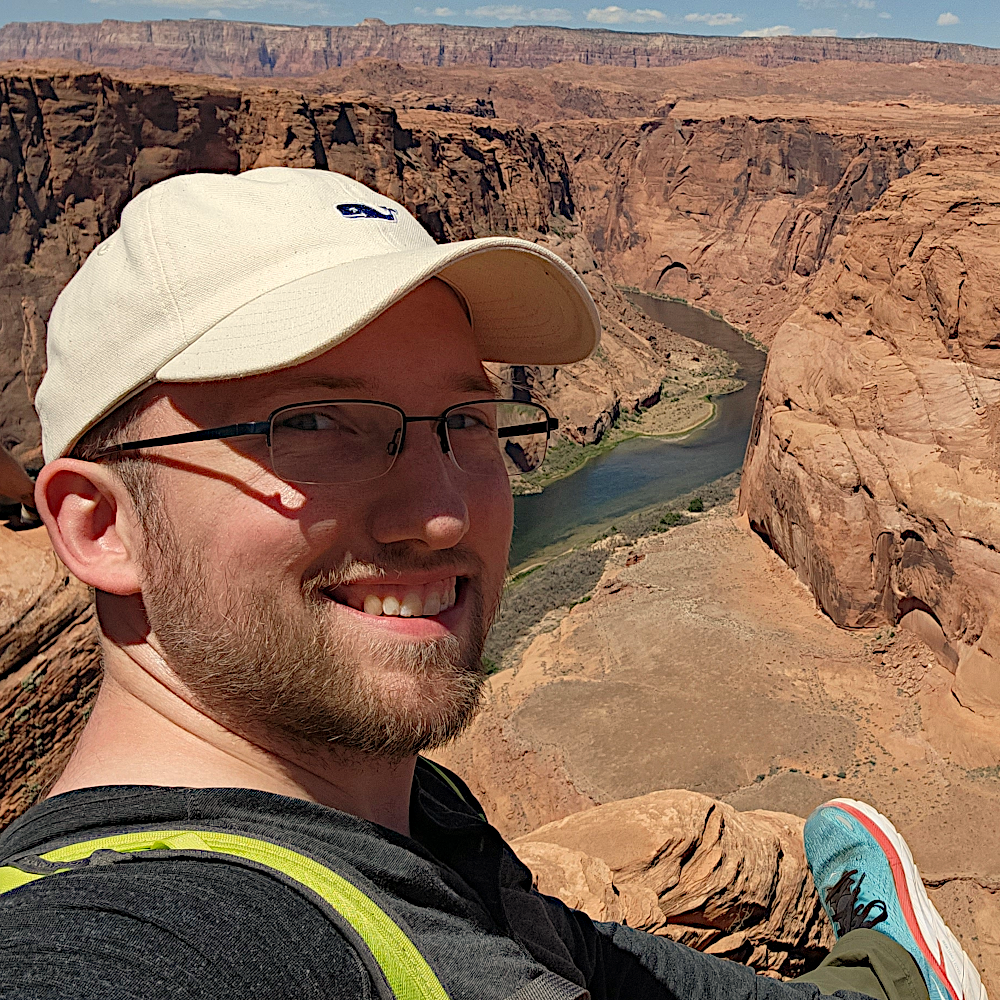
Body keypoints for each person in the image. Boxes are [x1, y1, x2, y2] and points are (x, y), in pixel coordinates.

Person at [0, 167, 984, 1000]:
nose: (443, 511)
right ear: (103, 525)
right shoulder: (139, 939)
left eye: (466, 421)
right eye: (313, 423)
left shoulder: (409, 816)